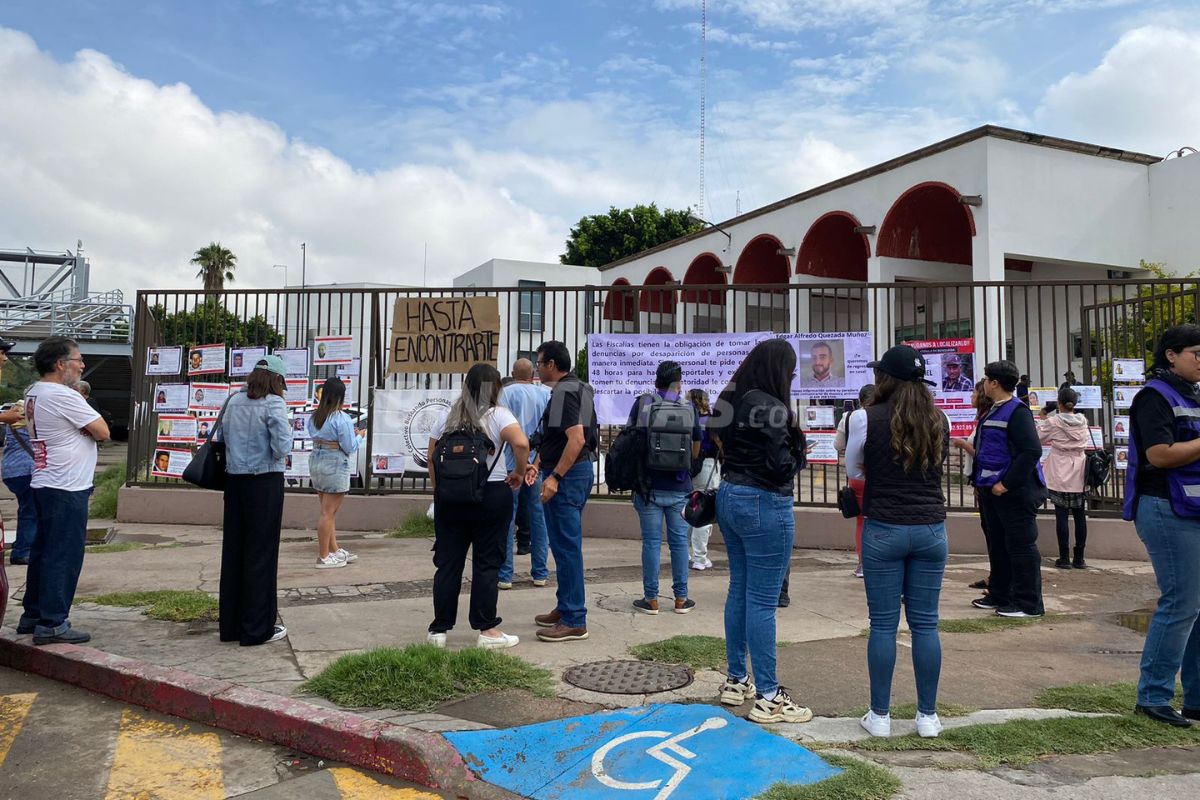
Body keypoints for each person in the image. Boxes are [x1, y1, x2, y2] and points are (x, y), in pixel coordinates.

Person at [846, 345, 949, 739]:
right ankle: (928, 717)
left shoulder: (863, 418)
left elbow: (855, 468)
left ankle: (881, 716)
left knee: (884, 625)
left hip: (884, 528)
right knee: (926, 625)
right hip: (930, 529)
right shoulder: (938, 418)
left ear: (884, 379)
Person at [712, 338, 812, 724]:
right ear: (777, 370)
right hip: (764, 502)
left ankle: (737, 679)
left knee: (740, 590)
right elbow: (781, 466)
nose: (791, 377)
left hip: (731, 494)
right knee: (763, 601)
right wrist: (801, 449)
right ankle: (770, 695)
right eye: (789, 371)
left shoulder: (732, 399)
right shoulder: (771, 407)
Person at [1122, 324, 1200, 727]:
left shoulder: (1193, 394)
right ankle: (1153, 697)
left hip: (1193, 508)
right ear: (1171, 354)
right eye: (1196, 354)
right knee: (1181, 602)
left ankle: (1196, 699)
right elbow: (1161, 454)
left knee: (1196, 606)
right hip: (1166, 509)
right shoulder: (1154, 396)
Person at [16, 336, 110, 645]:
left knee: (42, 552)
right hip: (67, 485)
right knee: (64, 554)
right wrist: (85, 423)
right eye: (77, 360)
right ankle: (53, 622)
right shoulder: (63, 395)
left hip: (45, 480)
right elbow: (102, 431)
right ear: (60, 364)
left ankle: (33, 615)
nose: (82, 365)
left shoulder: (34, 393)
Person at [426, 363, 528, 650]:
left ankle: (438, 631)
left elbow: (431, 456)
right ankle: (487, 630)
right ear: (495, 388)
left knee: (448, 564)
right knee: (487, 563)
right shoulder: (498, 415)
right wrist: (519, 472)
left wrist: (440, 490)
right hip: (491, 494)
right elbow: (521, 444)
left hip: (449, 499)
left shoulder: (448, 416)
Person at [216, 355, 292, 646]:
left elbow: (222, 437)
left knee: (234, 552)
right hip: (264, 482)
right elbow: (281, 447)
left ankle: (231, 626)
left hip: (234, 482)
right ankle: (257, 628)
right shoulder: (274, 403)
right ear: (276, 380)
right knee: (261, 554)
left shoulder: (233, 401)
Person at [530, 341, 598, 643]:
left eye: (540, 362)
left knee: (566, 546)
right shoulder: (580, 387)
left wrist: (555, 476)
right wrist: (538, 461)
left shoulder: (564, 392)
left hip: (568, 476)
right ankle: (565, 605)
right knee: (561, 544)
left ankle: (574, 618)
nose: (537, 367)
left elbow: (576, 438)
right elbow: (556, 436)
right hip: (577, 472)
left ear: (552, 365)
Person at [970, 360, 1047, 619]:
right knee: (998, 545)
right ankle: (1000, 594)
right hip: (990, 490)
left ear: (994, 383)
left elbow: (1031, 451)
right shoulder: (994, 410)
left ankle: (1028, 603)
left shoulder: (1017, 411)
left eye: (986, 380)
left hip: (1013, 492)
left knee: (1021, 547)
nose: (983, 384)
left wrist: (1007, 483)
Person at [628, 361, 701, 615]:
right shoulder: (688, 407)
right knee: (680, 543)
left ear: (656, 381)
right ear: (677, 383)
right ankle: (681, 599)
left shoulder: (643, 404)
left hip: (648, 486)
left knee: (651, 543)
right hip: (680, 486)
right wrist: (685, 467)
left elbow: (632, 440)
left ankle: (651, 600)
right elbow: (695, 445)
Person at [497, 358, 551, 591]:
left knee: (507, 520)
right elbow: (548, 434)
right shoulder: (545, 395)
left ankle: (505, 574)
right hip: (536, 465)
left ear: (512, 373)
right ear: (533, 375)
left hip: (510, 465)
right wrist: (535, 463)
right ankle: (540, 572)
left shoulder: (504, 394)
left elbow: (498, 429)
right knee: (539, 519)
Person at [307, 377, 366, 569]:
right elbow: (348, 446)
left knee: (328, 511)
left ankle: (334, 550)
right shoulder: (341, 418)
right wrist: (360, 436)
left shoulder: (315, 416)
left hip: (317, 461)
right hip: (334, 463)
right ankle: (324, 556)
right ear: (340, 396)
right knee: (328, 512)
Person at [1038, 386, 1090, 570]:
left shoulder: (1054, 421)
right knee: (1079, 514)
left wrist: (1043, 415)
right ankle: (1080, 557)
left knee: (1061, 513)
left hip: (1060, 466)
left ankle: (1064, 557)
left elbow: (1038, 437)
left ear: (1059, 403)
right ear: (1074, 403)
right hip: (1079, 467)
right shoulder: (1083, 420)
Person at [951, 380, 996, 592]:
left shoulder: (989, 419)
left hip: (988, 483)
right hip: (979, 481)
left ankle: (998, 579)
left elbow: (984, 455)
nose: (971, 398)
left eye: (974, 395)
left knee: (994, 533)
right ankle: (994, 575)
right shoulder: (982, 419)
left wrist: (963, 445)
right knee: (989, 531)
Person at [1, 340, 40, 567]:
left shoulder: (15, 416)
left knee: (28, 509)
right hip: (26, 469)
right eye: (3, 352)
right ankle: (22, 551)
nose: (5, 358)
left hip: (11, 470)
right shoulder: (27, 417)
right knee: (30, 511)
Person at [835, 384, 875, 578]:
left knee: (861, 521)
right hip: (880, 477)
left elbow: (838, 445)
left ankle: (862, 564)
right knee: (879, 520)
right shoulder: (886, 415)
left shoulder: (849, 417)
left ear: (860, 400)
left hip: (857, 478)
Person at [688, 388, 720, 571]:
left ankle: (685, 553)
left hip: (689, 467)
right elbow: (718, 442)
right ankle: (700, 557)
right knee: (704, 510)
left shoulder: (685, 416)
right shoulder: (710, 419)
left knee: (689, 508)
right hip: (707, 465)